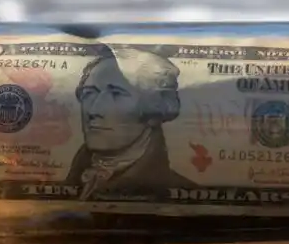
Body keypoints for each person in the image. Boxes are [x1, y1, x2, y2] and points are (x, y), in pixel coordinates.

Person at [66, 46, 196, 200]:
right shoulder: (65, 182)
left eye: (116, 94)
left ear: (153, 112)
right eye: (89, 93)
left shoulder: (182, 194)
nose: (94, 110)